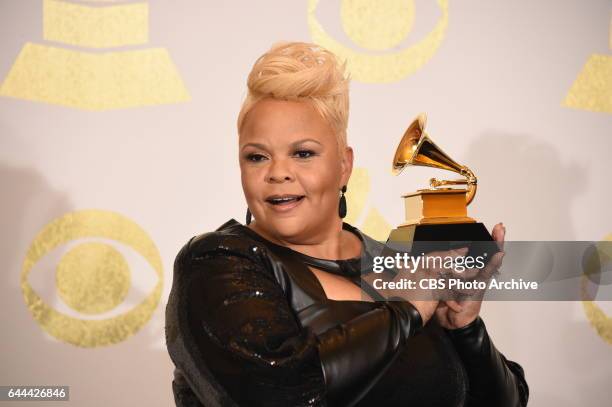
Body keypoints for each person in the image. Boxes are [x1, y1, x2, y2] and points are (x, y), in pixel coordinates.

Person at [165, 41, 529, 407]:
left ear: (344, 165)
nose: (278, 173)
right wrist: (408, 310)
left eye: (302, 153)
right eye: (257, 157)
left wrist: (464, 328)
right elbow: (276, 390)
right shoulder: (215, 263)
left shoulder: (398, 264)